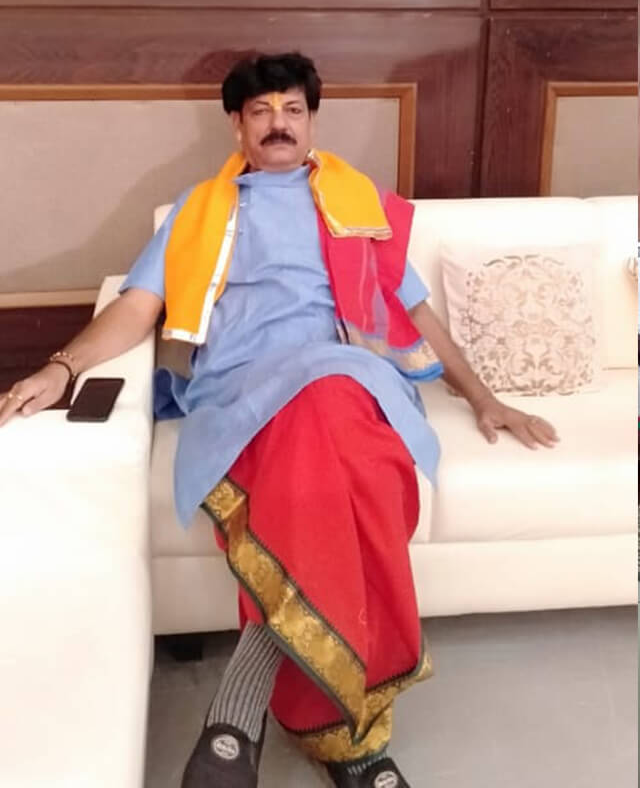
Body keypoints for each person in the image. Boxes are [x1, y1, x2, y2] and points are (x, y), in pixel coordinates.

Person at [0, 53, 558, 788]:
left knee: (330, 429)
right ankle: (357, 747)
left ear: (312, 121)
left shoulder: (355, 204)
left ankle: (241, 701)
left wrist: (482, 396)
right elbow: (136, 308)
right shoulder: (201, 211)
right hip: (240, 389)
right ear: (237, 125)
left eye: (293, 109)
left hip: (349, 374)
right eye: (261, 111)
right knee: (347, 478)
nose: (279, 124)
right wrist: (62, 366)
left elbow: (416, 312)